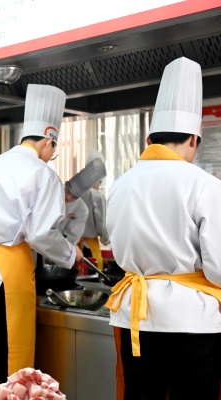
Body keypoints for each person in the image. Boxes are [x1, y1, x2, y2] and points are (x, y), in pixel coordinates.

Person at [106, 57, 221, 400]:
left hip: (136, 319)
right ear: (194, 140)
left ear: (150, 138)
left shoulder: (121, 184)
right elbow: (218, 267)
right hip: (192, 322)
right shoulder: (205, 185)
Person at [0, 84, 83, 384]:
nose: (52, 156)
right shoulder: (42, 173)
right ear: (49, 140)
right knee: (10, 361)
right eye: (54, 149)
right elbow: (41, 234)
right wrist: (70, 254)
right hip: (8, 274)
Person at [59, 158, 107, 246]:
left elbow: (71, 238)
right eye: (68, 192)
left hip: (62, 247)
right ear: (65, 184)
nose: (69, 197)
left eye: (74, 197)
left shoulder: (82, 210)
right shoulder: (52, 195)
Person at [80, 150, 110, 269]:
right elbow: (102, 224)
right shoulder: (96, 196)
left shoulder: (74, 192)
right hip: (89, 250)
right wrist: (106, 240)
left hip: (74, 248)